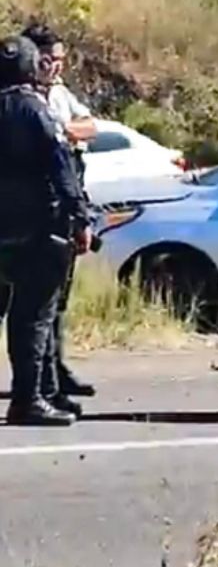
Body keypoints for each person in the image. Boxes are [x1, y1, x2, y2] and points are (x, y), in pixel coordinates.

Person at [0, 35, 91, 426]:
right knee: (34, 316)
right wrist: (82, 218)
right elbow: (62, 169)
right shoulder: (35, 111)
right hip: (38, 227)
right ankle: (29, 398)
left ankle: (45, 391)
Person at [20, 24, 98, 398]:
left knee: (52, 302)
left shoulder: (59, 96)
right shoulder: (23, 102)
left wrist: (65, 130)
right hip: (33, 212)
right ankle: (36, 388)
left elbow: (89, 127)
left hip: (60, 208)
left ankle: (51, 377)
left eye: (60, 61)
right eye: (49, 60)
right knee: (31, 308)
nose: (55, 68)